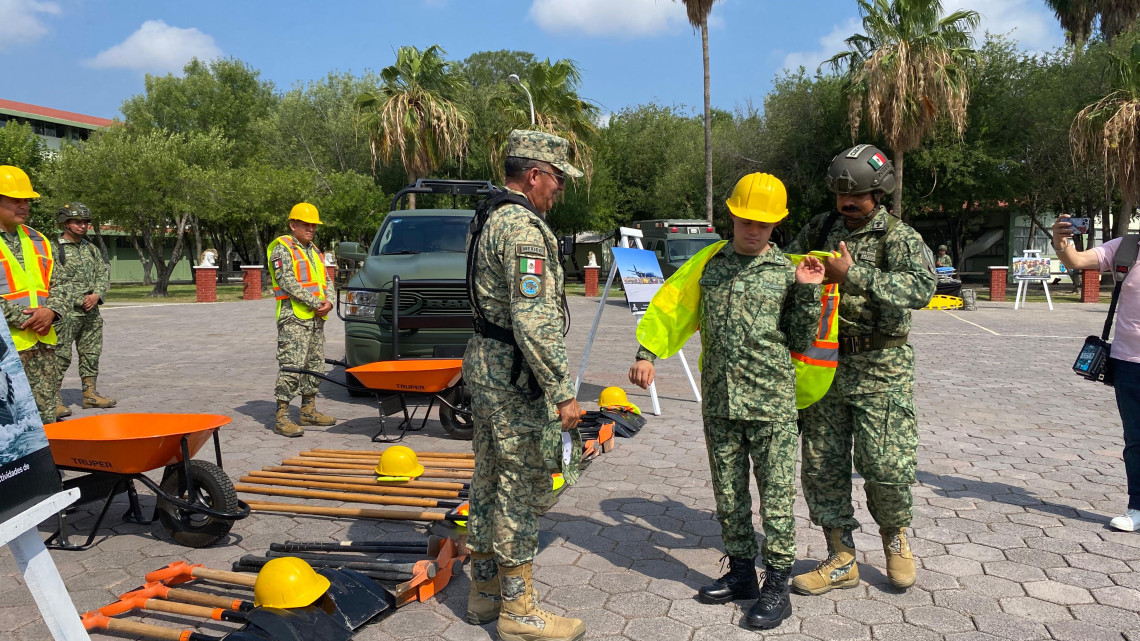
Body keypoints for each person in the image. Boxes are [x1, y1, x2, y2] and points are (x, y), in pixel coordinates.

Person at [629, 173, 824, 629]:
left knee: (775, 498)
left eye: (764, 223)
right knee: (729, 495)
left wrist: (808, 291)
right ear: (731, 216)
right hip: (719, 400)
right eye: (745, 220)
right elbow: (675, 307)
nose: (753, 229)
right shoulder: (709, 264)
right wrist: (647, 353)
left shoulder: (787, 271)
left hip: (771, 402)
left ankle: (777, 583)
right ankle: (741, 574)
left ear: (776, 225)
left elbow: (800, 338)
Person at [784, 144, 936, 594]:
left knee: (886, 464)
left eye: (859, 196)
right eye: (841, 196)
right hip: (825, 366)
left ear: (881, 191)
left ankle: (896, 540)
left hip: (880, 368)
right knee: (822, 465)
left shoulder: (899, 237)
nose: (847, 204)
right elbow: (785, 266)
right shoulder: (821, 227)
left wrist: (854, 275)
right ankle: (841, 557)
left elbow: (922, 288)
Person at [463, 130, 585, 641]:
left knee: (489, 475)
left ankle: (484, 591)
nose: (559, 189)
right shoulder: (524, 230)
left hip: (488, 366)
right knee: (518, 481)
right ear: (533, 174)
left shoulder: (491, 215)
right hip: (514, 375)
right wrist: (562, 390)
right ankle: (520, 611)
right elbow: (532, 321)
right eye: (556, 179)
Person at [1052, 215, 1140, 531]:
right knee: (1136, 439)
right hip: (1129, 361)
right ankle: (1137, 508)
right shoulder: (1127, 248)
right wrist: (1061, 240)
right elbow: (1075, 260)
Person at [0, 166, 68, 425]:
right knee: (9, 427)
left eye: (26, 200)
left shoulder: (38, 239)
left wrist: (51, 311)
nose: (24, 205)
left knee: (44, 421)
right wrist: (25, 318)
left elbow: (61, 284)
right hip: (4, 351)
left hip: (41, 349)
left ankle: (46, 467)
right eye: (15, 199)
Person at [268, 202, 336, 437]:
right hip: (294, 319)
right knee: (291, 367)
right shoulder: (282, 249)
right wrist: (317, 303)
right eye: (306, 224)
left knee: (314, 366)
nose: (311, 229)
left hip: (316, 319)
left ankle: (308, 411)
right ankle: (282, 417)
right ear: (293, 224)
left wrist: (330, 300)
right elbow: (287, 281)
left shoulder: (314, 250)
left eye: (314, 225)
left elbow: (326, 279)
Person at [50, 202, 115, 419]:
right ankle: (53, 399)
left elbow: (102, 274)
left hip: (91, 313)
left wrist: (96, 295)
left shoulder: (90, 248)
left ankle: (89, 394)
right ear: (65, 222)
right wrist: (79, 299)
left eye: (86, 222)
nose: (83, 226)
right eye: (78, 222)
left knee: (91, 354)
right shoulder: (53, 249)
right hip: (66, 313)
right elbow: (52, 280)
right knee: (60, 355)